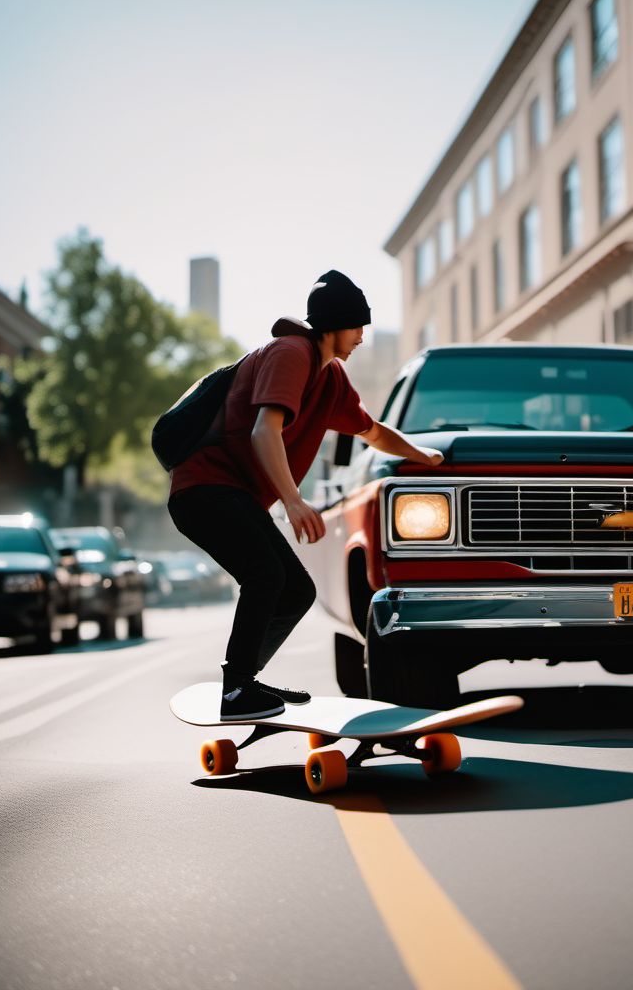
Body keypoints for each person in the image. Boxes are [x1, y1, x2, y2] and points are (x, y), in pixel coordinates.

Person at [167, 269, 443, 720]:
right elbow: (264, 430)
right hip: (204, 489)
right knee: (266, 576)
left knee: (296, 590)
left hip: (231, 495)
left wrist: (424, 455)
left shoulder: (331, 379)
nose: (360, 338)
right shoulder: (291, 353)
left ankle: (242, 684)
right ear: (333, 325)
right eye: (357, 328)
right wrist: (294, 500)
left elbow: (372, 432)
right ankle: (238, 690)